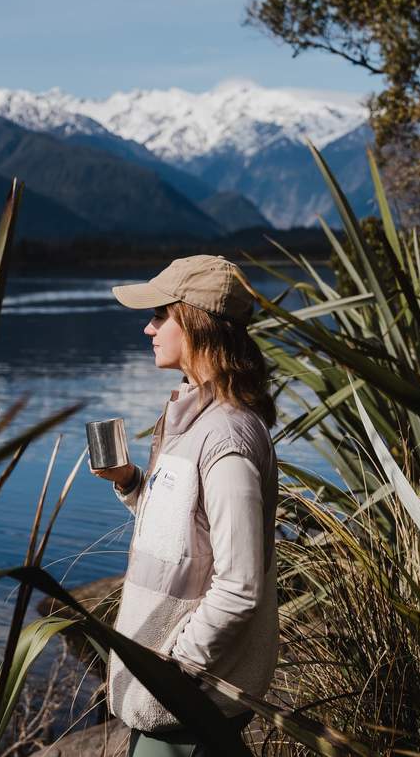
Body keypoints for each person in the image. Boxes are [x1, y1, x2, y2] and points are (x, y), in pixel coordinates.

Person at [92, 254, 279, 757]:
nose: (148, 328)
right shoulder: (191, 419)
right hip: (172, 704)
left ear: (196, 323)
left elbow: (240, 586)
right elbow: (184, 538)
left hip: (186, 708)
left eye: (160, 315)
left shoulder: (227, 439)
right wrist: (131, 482)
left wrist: (175, 670)